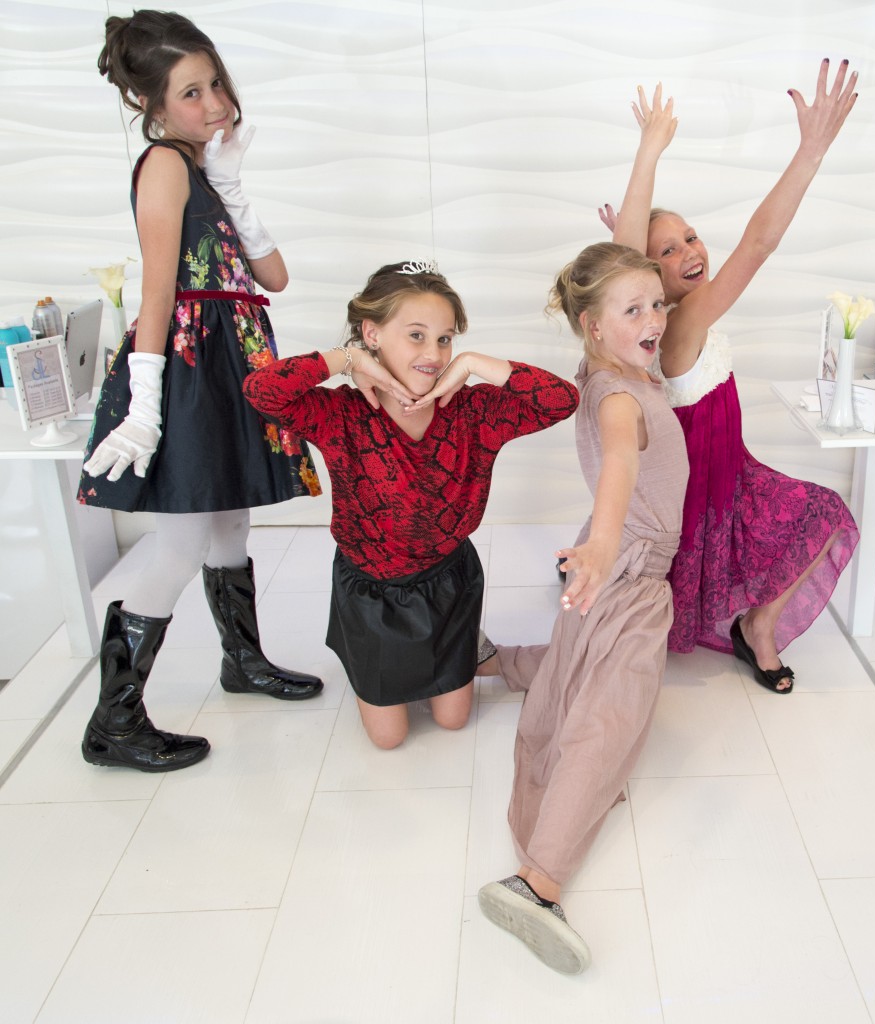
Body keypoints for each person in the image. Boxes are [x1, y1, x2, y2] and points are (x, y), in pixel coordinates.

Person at [77, 11, 325, 773]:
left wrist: (232, 185)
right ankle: (114, 720)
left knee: (229, 524)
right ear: (151, 107)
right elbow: (159, 293)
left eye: (216, 81)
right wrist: (145, 406)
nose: (215, 102)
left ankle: (241, 662)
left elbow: (273, 279)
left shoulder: (201, 169)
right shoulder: (162, 165)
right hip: (185, 371)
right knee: (184, 538)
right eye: (191, 92)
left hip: (225, 364)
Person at [242, 260, 579, 750]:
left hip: (449, 582)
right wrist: (347, 359)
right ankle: (400, 668)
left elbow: (561, 400)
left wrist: (475, 364)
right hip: (372, 595)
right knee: (389, 740)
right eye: (416, 335)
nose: (434, 353)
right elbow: (261, 390)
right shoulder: (342, 413)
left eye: (445, 339)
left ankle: (465, 648)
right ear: (372, 332)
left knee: (452, 721)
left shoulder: (474, 410)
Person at [600, 61, 861, 693]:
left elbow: (663, 255)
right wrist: (811, 151)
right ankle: (751, 629)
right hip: (703, 497)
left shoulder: (682, 315)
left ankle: (758, 625)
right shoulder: (677, 326)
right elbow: (757, 245)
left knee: (824, 515)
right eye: (668, 251)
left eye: (691, 237)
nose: (691, 252)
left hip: (734, 474)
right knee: (827, 514)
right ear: (645, 274)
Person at [476, 243, 689, 974]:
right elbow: (622, 462)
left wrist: (647, 151)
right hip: (623, 568)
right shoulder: (622, 395)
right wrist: (598, 547)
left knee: (574, 663)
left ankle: (492, 659)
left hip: (608, 558)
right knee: (609, 715)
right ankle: (535, 884)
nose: (655, 317)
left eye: (655, 302)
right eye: (634, 309)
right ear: (591, 322)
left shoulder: (608, 364)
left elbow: (619, 262)